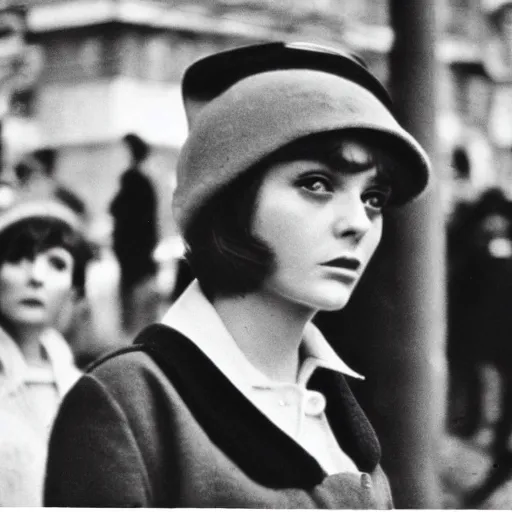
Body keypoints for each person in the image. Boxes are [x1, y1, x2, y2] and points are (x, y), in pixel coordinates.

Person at [44, 42, 431, 508]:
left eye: (373, 197)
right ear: (227, 198)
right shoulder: (127, 404)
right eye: (317, 184)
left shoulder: (338, 407)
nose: (358, 222)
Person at [0, 197, 91, 506]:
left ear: (74, 290)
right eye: (17, 258)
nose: (36, 277)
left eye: (56, 263)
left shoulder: (81, 387)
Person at [109, 133, 159, 334]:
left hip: (132, 251)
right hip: (139, 251)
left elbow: (117, 209)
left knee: (132, 301)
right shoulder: (145, 182)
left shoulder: (132, 180)